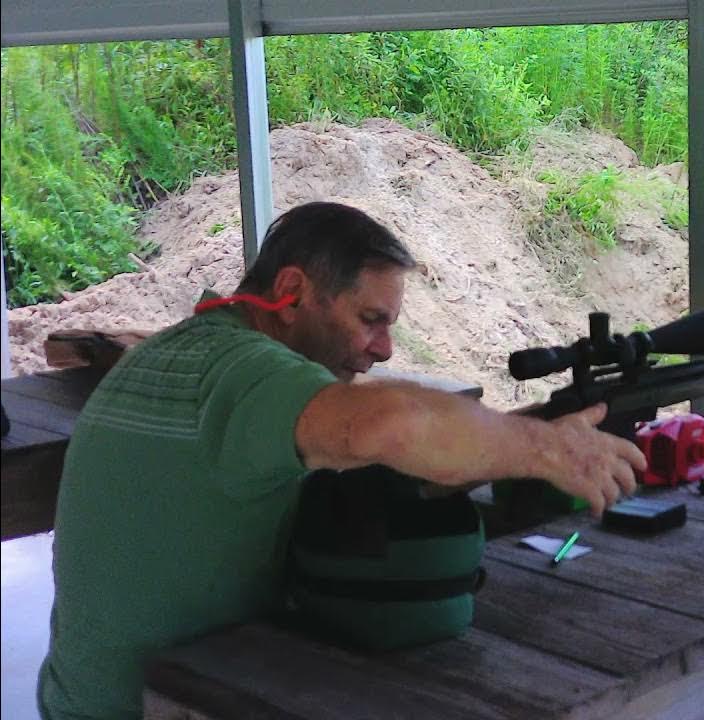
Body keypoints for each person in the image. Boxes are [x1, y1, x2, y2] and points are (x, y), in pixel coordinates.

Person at [37, 201, 645, 719]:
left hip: (89, 698)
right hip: (156, 706)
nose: (383, 349)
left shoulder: (182, 352)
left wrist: (521, 437)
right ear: (293, 291)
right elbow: (394, 425)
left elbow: (393, 454)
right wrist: (543, 448)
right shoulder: (249, 375)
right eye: (369, 320)